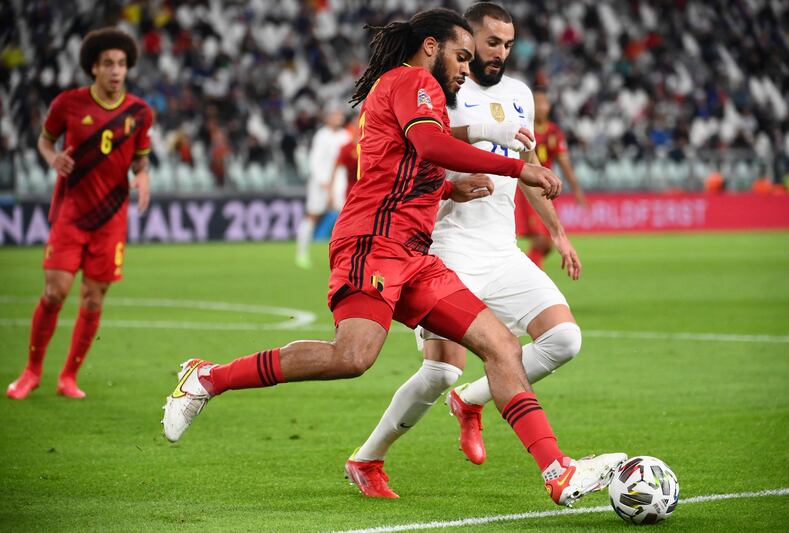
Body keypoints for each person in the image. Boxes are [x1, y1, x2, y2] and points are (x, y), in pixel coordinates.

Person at [161, 8, 611, 508]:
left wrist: (449, 189)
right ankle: (207, 377)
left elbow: (401, 162)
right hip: (372, 242)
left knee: (501, 345)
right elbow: (426, 143)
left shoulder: (421, 94)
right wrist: (514, 168)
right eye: (461, 56)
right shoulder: (411, 79)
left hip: (415, 254)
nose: (466, 67)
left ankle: (557, 471)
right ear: (431, 47)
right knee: (352, 357)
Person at [345, 2, 624, 504]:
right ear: (465, 41)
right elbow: (426, 142)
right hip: (447, 247)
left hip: (503, 249)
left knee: (564, 340)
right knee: (440, 369)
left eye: (508, 45)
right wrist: (467, 164)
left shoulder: (520, 95)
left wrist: (558, 234)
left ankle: (471, 402)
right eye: (491, 43)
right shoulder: (442, 84)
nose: (499, 53)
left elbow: (528, 163)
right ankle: (367, 457)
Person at [7, 28, 152, 400]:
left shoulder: (139, 112)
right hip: (71, 213)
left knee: (93, 298)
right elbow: (43, 140)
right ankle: (31, 371)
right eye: (108, 64)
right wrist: (52, 157)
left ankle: (68, 377)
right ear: (93, 68)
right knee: (55, 292)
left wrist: (143, 179)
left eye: (121, 64)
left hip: (112, 218)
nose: (116, 71)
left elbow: (140, 160)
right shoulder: (68, 104)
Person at [515, 88, 586, 268]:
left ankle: (524, 271)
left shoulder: (554, 132)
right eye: (537, 103)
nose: (541, 107)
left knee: (546, 244)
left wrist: (576, 190)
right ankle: (529, 278)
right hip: (527, 189)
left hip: (547, 190)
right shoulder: (522, 128)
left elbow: (565, 163)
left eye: (544, 103)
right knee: (540, 240)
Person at [295, 107, 352, 269]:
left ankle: (345, 257)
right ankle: (301, 253)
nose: (338, 117)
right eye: (334, 114)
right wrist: (324, 183)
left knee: (346, 218)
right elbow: (315, 161)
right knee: (313, 216)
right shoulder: (321, 136)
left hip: (340, 182)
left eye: (339, 114)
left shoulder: (345, 136)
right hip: (320, 183)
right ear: (327, 118)